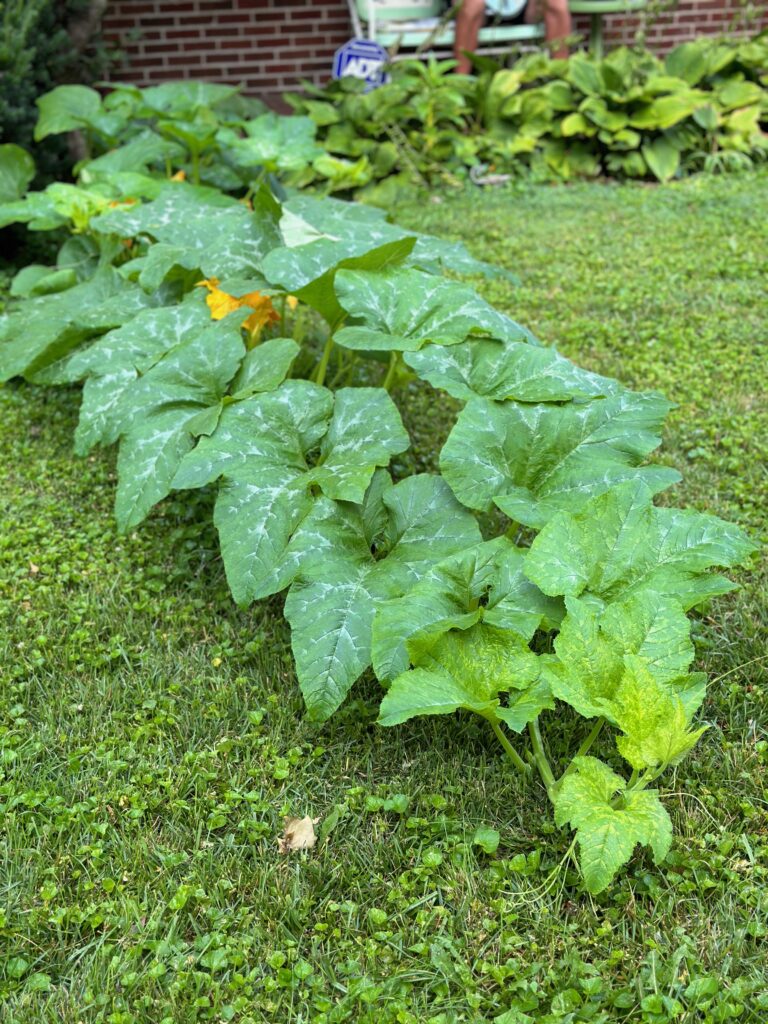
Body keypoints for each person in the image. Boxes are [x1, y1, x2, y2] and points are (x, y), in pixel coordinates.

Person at [453, 0, 571, 72]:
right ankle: (459, 85)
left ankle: (562, 78)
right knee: (471, 5)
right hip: (482, 9)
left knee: (556, 3)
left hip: (526, 7)